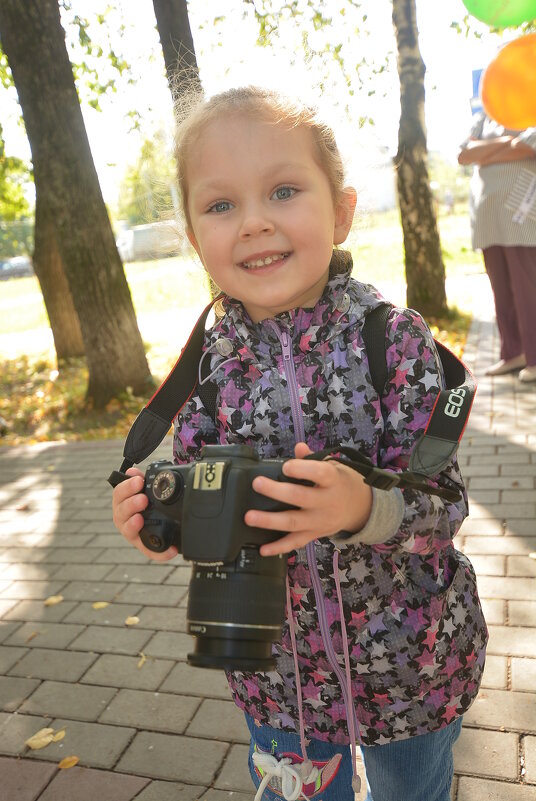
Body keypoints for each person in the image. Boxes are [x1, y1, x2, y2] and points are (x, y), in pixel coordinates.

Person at [112, 87, 488, 801]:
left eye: (283, 190)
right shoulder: (206, 370)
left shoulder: (392, 341)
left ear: (341, 211)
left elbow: (446, 506)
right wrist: (160, 518)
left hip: (412, 667)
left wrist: (365, 508)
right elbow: (201, 503)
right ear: (194, 237)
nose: (253, 222)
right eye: (221, 205)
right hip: (277, 680)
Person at [458, 112, 536, 382]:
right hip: (488, 215)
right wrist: (511, 143)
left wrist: (485, 152)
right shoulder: (483, 116)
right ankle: (513, 352)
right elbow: (464, 154)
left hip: (521, 212)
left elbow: (531, 144)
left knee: (528, 286)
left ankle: (534, 356)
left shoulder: (530, 108)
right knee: (500, 287)